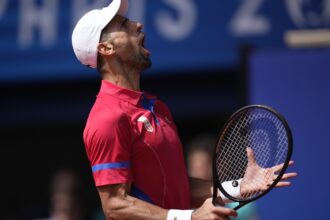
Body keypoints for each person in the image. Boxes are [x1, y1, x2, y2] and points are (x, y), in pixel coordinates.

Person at [71, 1, 297, 219]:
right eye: (123, 25)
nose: (137, 25)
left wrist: (238, 187)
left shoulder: (157, 108)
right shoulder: (107, 118)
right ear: (106, 48)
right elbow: (115, 205)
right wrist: (190, 217)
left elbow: (177, 187)